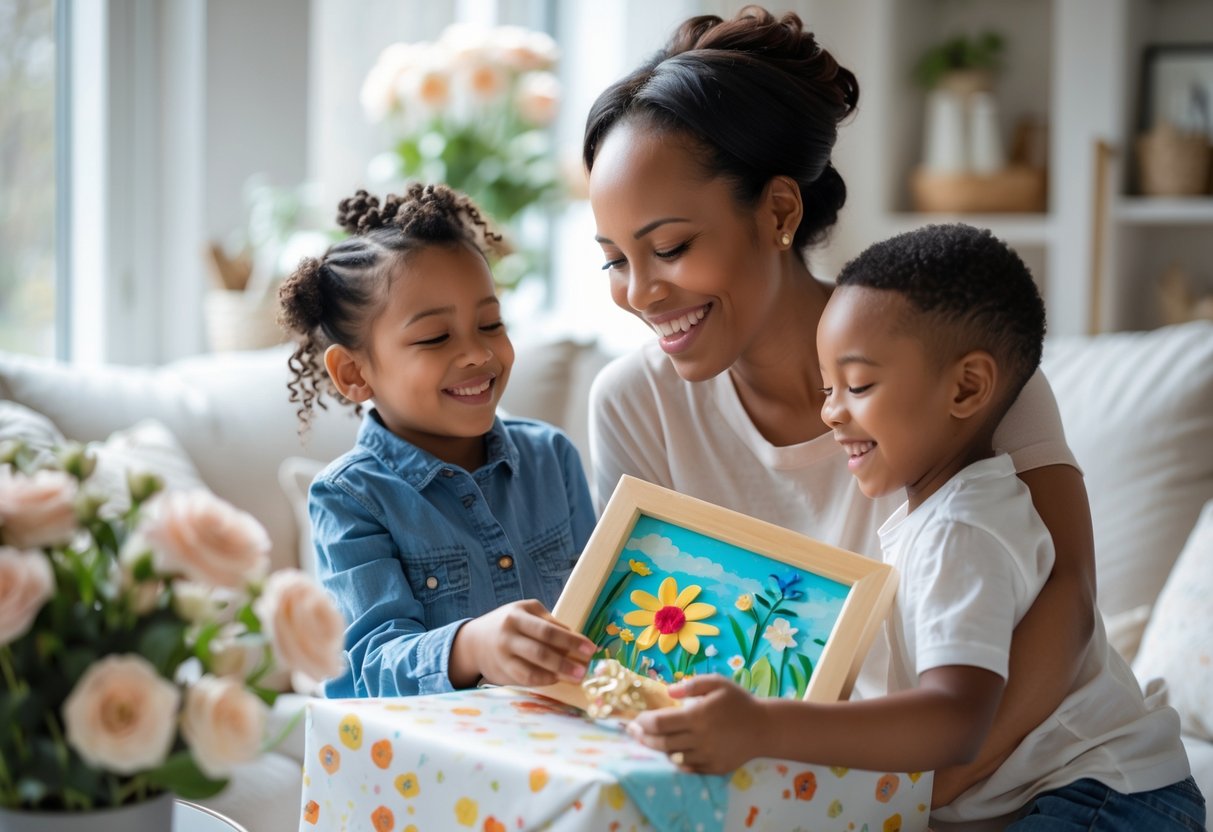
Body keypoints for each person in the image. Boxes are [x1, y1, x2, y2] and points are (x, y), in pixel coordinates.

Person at [584, 4, 1097, 807]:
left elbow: (1068, 598)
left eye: (671, 247)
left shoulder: (959, 363)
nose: (640, 293)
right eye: (614, 259)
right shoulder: (631, 402)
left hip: (1049, 783)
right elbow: (649, 663)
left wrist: (907, 805)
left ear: (780, 212)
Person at [627, 223, 1204, 829]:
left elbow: (953, 720)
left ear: (966, 387)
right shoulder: (947, 515)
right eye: (828, 389)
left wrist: (765, 726)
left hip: (1106, 797)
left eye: (857, 386)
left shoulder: (961, 530)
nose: (830, 413)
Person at [277, 183, 596, 697]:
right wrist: (471, 647)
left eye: (491, 324)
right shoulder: (349, 499)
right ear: (354, 373)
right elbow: (365, 672)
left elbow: (606, 608)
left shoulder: (551, 457)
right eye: (435, 337)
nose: (477, 354)